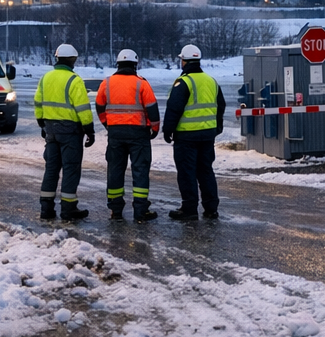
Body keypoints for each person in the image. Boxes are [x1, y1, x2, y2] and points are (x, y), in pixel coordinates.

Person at [95, 48, 160, 223]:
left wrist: (106, 124)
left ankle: (115, 211)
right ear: (135, 65)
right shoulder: (142, 84)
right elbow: (152, 109)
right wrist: (155, 128)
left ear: (118, 64)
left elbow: (100, 106)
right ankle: (140, 211)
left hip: (115, 133)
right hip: (139, 134)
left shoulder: (106, 83)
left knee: (115, 170)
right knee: (140, 171)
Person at [162, 43, 226, 221]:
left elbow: (173, 109)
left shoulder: (183, 82)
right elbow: (221, 105)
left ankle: (189, 209)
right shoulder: (211, 81)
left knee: (187, 172)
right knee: (206, 171)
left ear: (184, 61)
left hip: (186, 137)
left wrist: (168, 131)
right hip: (207, 135)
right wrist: (217, 127)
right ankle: (211, 208)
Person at [34, 43, 94, 220]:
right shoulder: (74, 80)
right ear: (72, 60)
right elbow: (83, 108)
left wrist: (42, 123)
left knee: (51, 169)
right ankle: (68, 209)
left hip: (51, 130)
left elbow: (38, 102)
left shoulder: (46, 78)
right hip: (70, 132)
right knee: (70, 169)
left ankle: (46, 209)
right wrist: (90, 130)